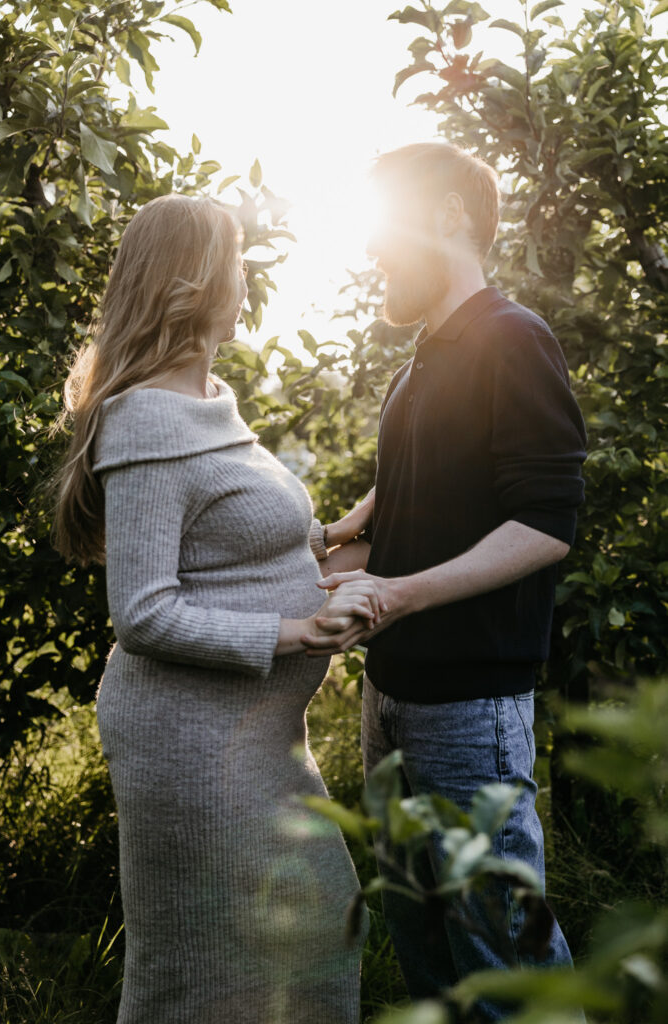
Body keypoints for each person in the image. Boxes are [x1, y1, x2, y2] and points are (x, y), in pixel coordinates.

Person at [51, 194, 378, 1024]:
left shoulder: (208, 405)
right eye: (236, 259)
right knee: (205, 969)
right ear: (193, 281)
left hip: (251, 735)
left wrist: (349, 529)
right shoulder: (148, 420)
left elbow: (248, 544)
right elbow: (144, 612)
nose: (245, 277)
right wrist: (295, 631)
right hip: (190, 743)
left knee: (311, 932)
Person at [302, 143, 587, 1019]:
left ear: (450, 216)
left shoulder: (512, 337)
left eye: (387, 227)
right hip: (390, 696)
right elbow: (438, 475)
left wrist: (395, 595)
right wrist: (352, 527)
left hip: (470, 709)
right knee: (425, 943)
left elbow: (544, 524)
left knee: (500, 953)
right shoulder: (423, 359)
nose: (374, 251)